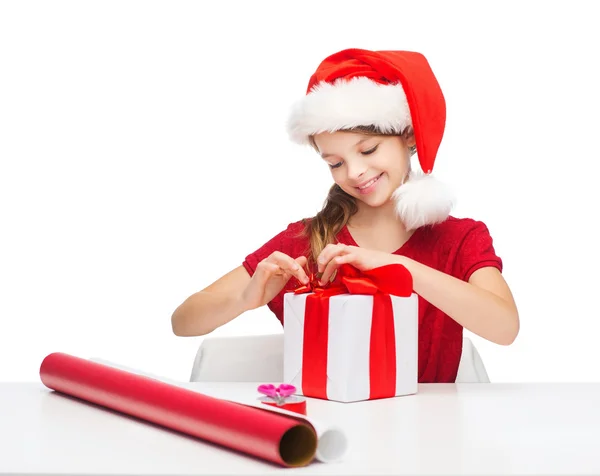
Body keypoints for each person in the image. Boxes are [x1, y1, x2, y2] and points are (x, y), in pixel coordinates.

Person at [171, 48, 520, 383]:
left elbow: (505, 328)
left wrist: (400, 270)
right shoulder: (308, 242)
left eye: (368, 149)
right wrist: (244, 299)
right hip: (334, 430)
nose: (353, 172)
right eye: (335, 163)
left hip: (430, 433)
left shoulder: (458, 239)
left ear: (409, 137)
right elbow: (183, 321)